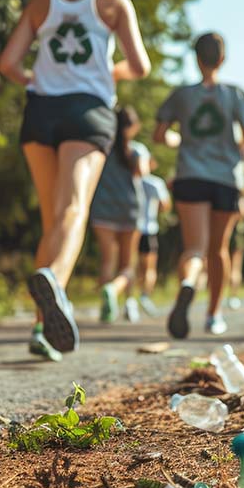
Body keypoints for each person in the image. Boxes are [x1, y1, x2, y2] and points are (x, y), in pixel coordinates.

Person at [0, 0, 150, 357]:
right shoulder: (113, 3)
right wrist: (114, 71)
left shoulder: (40, 4)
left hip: (41, 111)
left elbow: (7, 63)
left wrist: (34, 78)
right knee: (74, 210)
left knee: (53, 220)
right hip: (88, 110)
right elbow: (140, 66)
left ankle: (41, 327)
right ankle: (56, 283)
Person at [154, 32, 244, 338]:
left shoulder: (182, 95)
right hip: (225, 178)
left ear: (196, 58)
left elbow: (160, 135)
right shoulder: (235, 94)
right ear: (222, 59)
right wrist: (233, 150)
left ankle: (188, 284)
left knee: (195, 248)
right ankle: (214, 314)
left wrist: (180, 140)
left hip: (190, 175)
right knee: (219, 249)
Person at [89, 106, 146, 324]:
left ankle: (106, 304)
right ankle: (122, 298)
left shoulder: (102, 148)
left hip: (103, 208)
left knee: (107, 261)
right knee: (127, 264)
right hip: (129, 209)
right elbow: (142, 174)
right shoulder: (135, 150)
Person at [135, 160, 171, 317]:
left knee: (129, 267)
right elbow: (165, 206)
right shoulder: (155, 183)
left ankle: (130, 301)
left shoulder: (129, 180)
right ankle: (145, 296)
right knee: (149, 268)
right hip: (148, 229)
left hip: (129, 228)